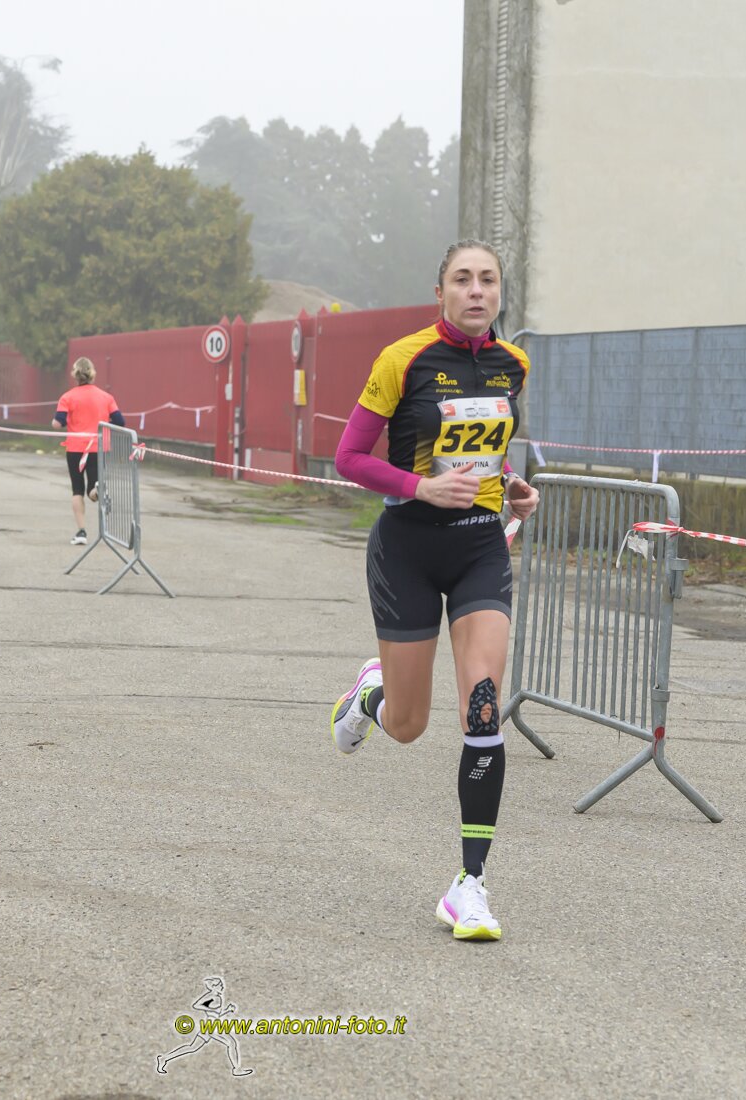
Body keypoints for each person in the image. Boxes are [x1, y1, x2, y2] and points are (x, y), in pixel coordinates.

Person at [327, 239, 538, 943]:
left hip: (480, 548)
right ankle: (372, 695)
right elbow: (348, 457)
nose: (476, 291)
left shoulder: (514, 365)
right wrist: (421, 487)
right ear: (440, 291)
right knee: (409, 725)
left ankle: (469, 886)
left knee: (483, 705)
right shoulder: (402, 359)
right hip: (408, 550)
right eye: (463, 279)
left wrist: (512, 487)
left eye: (488, 280)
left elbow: (487, 452)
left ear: (499, 292)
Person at [51, 356, 126, 545]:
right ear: (93, 373)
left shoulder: (67, 397)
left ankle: (81, 532)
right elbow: (120, 421)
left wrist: (62, 421)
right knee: (92, 488)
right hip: (99, 447)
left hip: (76, 448)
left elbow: (57, 423)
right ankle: (98, 490)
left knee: (77, 489)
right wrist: (102, 421)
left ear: (75, 374)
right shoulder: (106, 397)